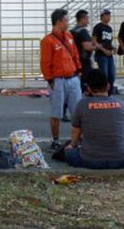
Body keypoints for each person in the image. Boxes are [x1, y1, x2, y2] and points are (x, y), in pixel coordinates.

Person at [63, 68, 124, 169]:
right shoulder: (122, 104)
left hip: (90, 160)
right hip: (120, 159)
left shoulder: (82, 104)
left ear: (89, 88)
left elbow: (76, 130)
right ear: (108, 86)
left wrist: (72, 145)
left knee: (68, 153)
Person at [40, 8, 82, 150]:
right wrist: (50, 80)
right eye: (66, 20)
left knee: (77, 111)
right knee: (56, 112)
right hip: (57, 80)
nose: (68, 23)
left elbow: (75, 54)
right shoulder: (48, 41)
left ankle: (77, 140)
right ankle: (56, 140)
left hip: (73, 78)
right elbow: (45, 63)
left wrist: (79, 70)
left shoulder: (69, 36)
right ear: (58, 22)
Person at [92, 9, 116, 96]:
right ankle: (103, 93)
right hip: (101, 55)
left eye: (109, 15)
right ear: (101, 17)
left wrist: (113, 48)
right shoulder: (98, 27)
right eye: (106, 15)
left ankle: (109, 94)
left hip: (109, 55)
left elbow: (108, 42)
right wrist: (104, 50)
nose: (108, 17)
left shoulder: (109, 28)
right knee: (104, 75)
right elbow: (94, 41)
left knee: (112, 75)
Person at [71, 9, 95, 90]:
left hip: (74, 60)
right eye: (87, 18)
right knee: (86, 82)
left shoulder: (71, 31)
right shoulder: (83, 31)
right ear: (82, 19)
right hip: (84, 61)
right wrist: (95, 47)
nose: (88, 21)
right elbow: (87, 47)